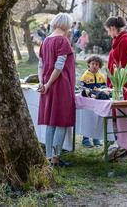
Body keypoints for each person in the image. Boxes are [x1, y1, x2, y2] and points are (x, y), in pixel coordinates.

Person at [38, 13, 75, 167]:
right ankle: (55, 158)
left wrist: (43, 83)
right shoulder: (63, 41)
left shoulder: (45, 41)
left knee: (50, 123)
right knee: (60, 121)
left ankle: (49, 157)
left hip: (47, 85)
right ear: (67, 25)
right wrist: (47, 84)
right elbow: (59, 67)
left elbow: (40, 65)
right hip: (60, 86)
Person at [80, 56, 106, 147]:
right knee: (88, 119)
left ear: (99, 66)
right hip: (88, 102)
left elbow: (104, 88)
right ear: (88, 64)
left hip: (98, 102)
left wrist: (101, 90)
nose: (94, 66)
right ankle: (85, 139)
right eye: (92, 64)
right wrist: (90, 92)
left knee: (97, 119)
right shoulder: (85, 76)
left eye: (97, 64)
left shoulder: (101, 76)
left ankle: (96, 138)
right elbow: (82, 88)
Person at [104, 16, 127, 89]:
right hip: (114, 85)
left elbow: (124, 68)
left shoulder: (125, 41)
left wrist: (118, 86)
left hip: (120, 87)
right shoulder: (117, 40)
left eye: (108, 30)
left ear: (112, 28)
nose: (108, 34)